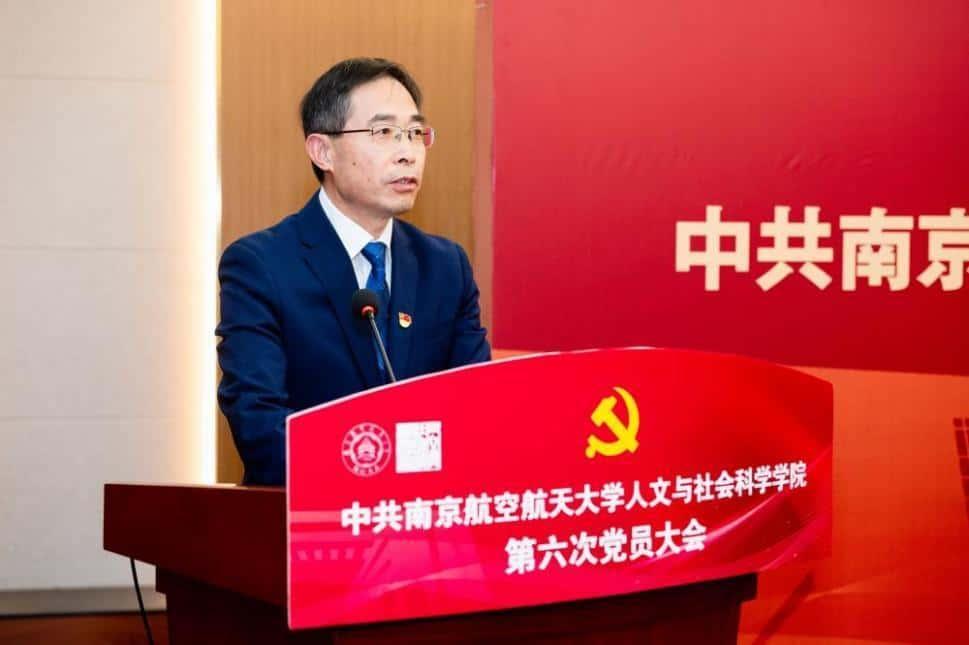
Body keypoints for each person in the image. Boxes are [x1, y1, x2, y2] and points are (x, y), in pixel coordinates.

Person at [216, 58, 491, 485]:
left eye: (415, 133)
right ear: (323, 151)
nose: (407, 152)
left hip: (426, 513)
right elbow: (261, 430)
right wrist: (381, 468)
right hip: (309, 515)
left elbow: (477, 411)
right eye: (384, 133)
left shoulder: (445, 267)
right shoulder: (261, 265)